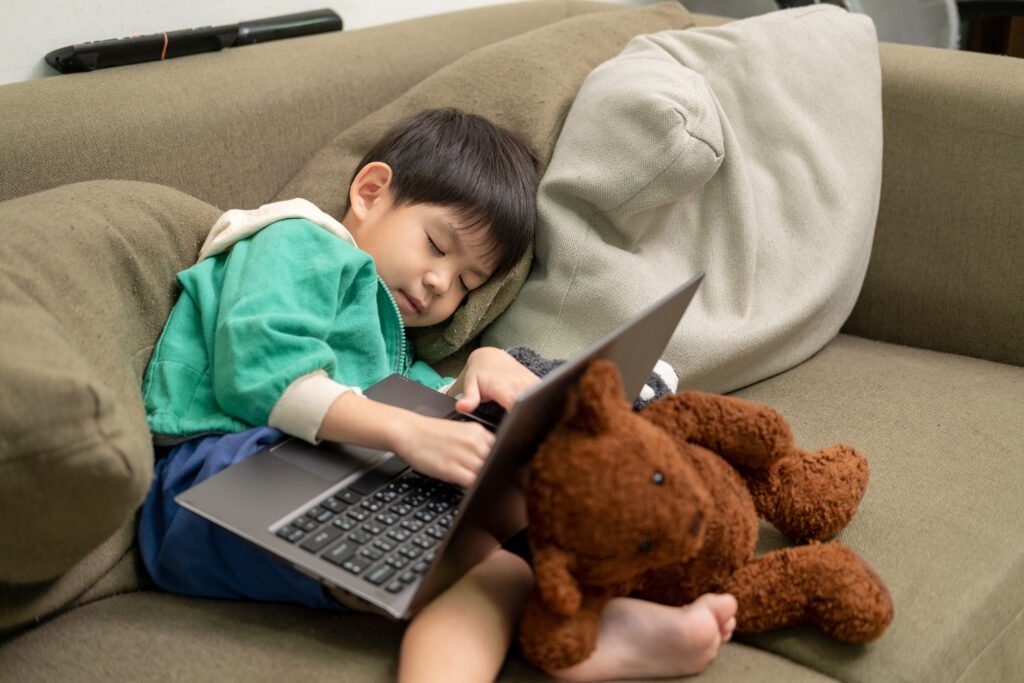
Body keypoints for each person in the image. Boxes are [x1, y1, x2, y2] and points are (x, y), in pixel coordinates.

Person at [138, 107, 736, 683]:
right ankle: (589, 638)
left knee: (501, 546)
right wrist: (406, 430)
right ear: (370, 193)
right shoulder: (298, 241)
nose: (440, 283)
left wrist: (468, 377)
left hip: (298, 469)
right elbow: (262, 373)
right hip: (209, 483)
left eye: (465, 282)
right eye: (437, 246)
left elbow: (391, 395)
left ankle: (580, 634)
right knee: (478, 563)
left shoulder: (382, 328)